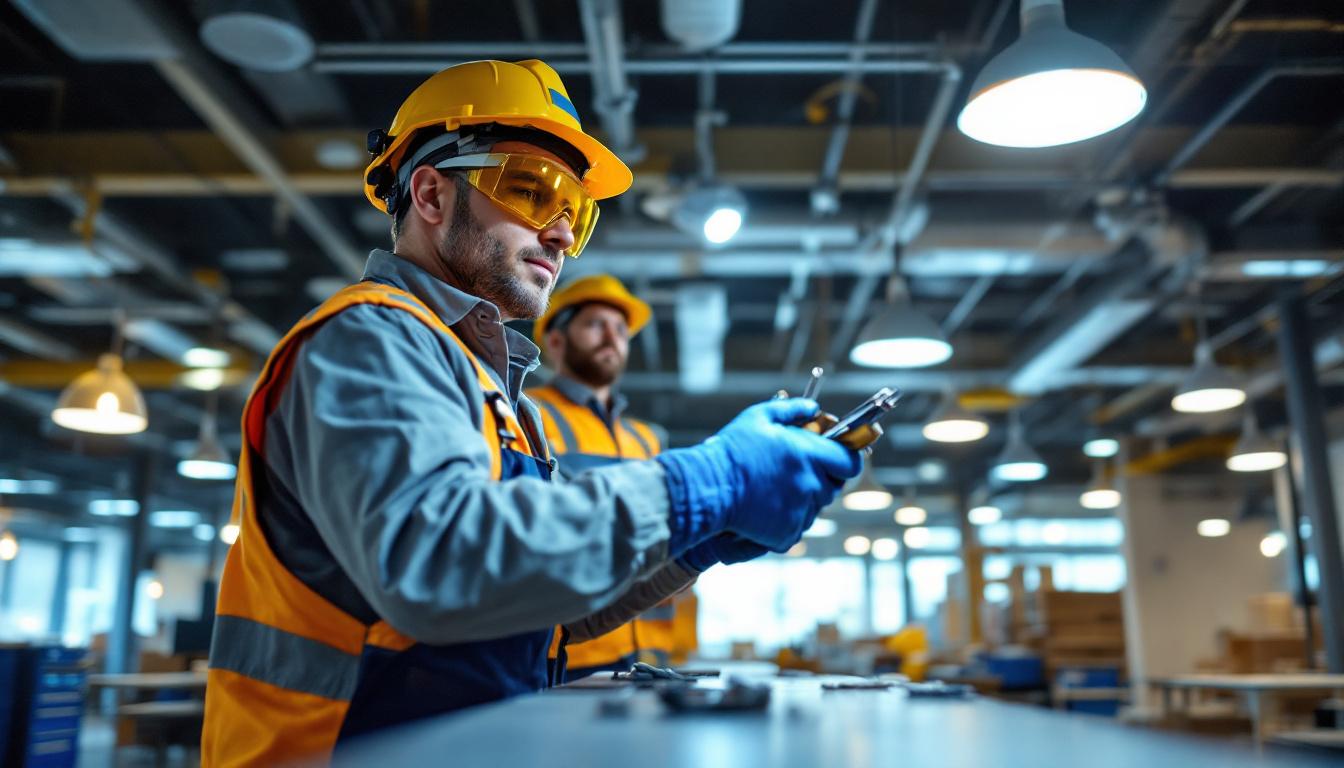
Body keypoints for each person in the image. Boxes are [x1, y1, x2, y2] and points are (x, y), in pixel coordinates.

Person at [200, 59, 860, 767]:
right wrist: (705, 484)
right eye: (532, 189)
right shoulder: (367, 340)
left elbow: (544, 610)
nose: (560, 236)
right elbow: (439, 565)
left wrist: (699, 540)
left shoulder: (499, 394)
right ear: (428, 193)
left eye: (576, 213)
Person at [528, 274, 686, 676]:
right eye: (596, 324)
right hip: (574, 655)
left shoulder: (648, 438)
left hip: (651, 656)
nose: (612, 337)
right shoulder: (529, 415)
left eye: (621, 329)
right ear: (557, 342)